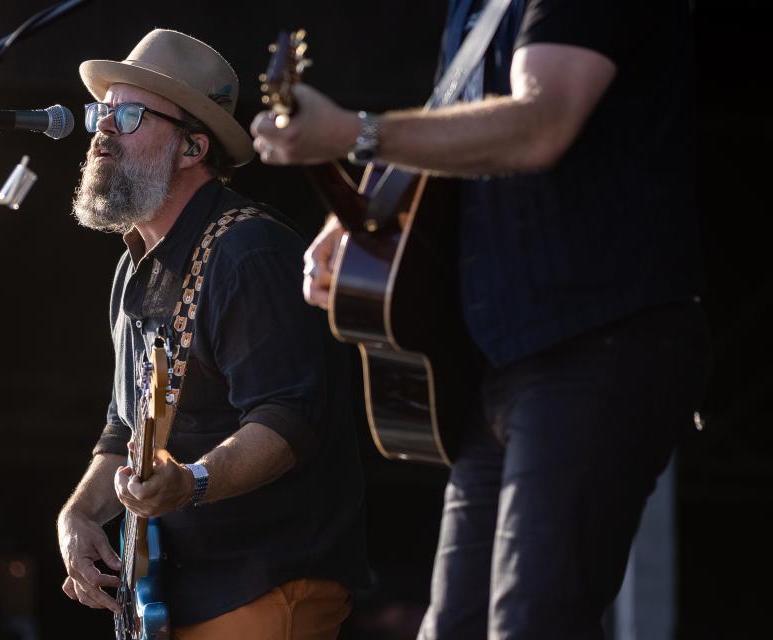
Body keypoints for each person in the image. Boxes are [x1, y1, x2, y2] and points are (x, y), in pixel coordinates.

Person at [251, 1, 710, 638]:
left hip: (595, 337)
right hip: (501, 358)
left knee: (529, 623)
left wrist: (357, 134)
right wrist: (356, 211)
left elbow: (541, 124)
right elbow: (463, 134)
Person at [56, 29, 368, 640]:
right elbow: (126, 423)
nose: (101, 129)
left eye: (127, 113)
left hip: (263, 587)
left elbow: (287, 417)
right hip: (182, 595)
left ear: (193, 146)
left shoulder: (248, 252)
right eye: (102, 111)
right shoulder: (133, 265)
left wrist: (191, 482)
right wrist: (79, 515)